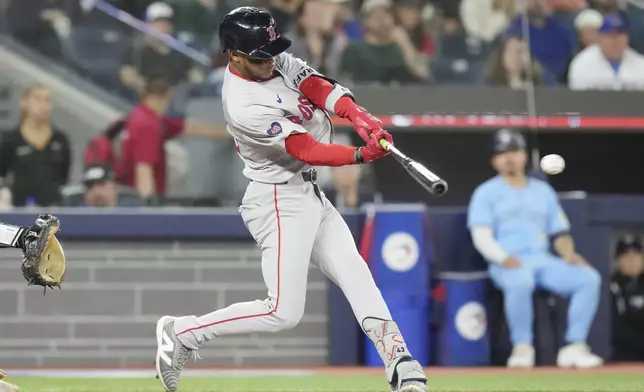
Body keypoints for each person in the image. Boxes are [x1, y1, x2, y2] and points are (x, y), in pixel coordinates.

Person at [154, 7, 427, 392]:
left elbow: (315, 84)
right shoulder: (243, 103)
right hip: (279, 198)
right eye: (259, 57)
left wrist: (358, 115)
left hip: (307, 192)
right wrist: (360, 155)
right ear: (233, 54)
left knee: (356, 273)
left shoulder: (268, 54)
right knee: (283, 312)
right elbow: (306, 149)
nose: (269, 62)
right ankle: (181, 332)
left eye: (271, 52)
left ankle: (400, 364)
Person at [467, 128, 603, 369]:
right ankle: (522, 348)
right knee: (520, 281)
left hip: (542, 260)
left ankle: (575, 346)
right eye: (502, 153)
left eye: (514, 151)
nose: (509, 157)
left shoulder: (543, 191)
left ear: (525, 155)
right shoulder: (486, 192)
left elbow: (559, 233)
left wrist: (568, 254)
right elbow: (481, 236)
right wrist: (502, 257)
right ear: (494, 160)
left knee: (588, 278)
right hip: (507, 262)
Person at [118, 75, 227, 205]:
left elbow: (191, 128)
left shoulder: (145, 117)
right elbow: (144, 169)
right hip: (140, 200)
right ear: (166, 96)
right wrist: (148, 206)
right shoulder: (147, 125)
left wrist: (232, 132)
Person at [0, 84, 71, 207]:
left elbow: (64, 176)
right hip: (20, 208)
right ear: (24, 102)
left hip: (53, 209)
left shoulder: (60, 140)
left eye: (47, 100)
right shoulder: (12, 140)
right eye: (38, 99)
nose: (43, 105)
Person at [568, 13, 644, 90]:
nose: (615, 41)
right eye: (610, 36)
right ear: (599, 38)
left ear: (627, 39)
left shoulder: (640, 63)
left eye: (619, 36)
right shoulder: (582, 62)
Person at [610, 235, 644, 361]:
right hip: (625, 353)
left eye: (636, 255)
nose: (632, 260)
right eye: (626, 256)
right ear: (618, 261)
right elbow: (616, 328)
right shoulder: (613, 286)